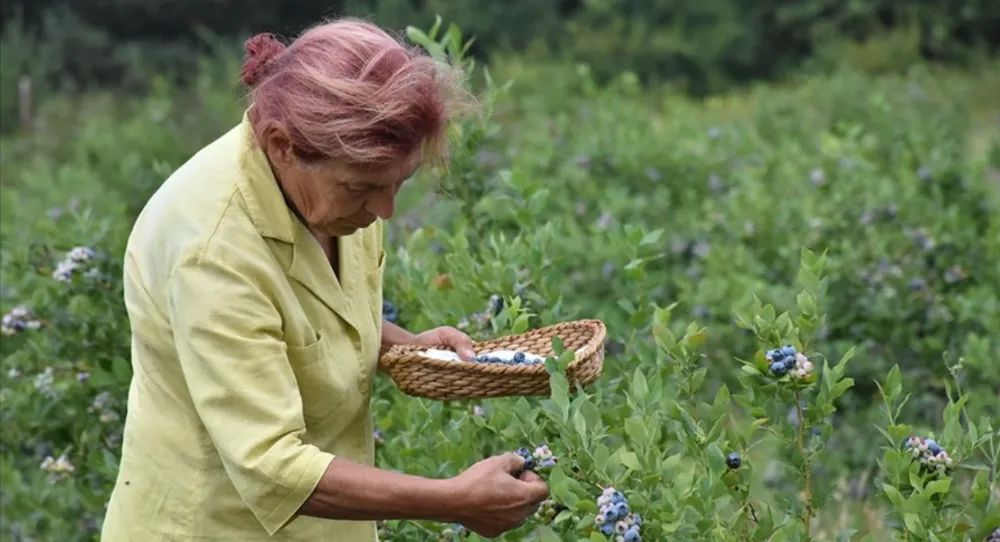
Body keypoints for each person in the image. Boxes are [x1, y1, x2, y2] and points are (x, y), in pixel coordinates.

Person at [100, 17, 550, 542]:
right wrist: (455, 499)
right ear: (282, 145)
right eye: (363, 187)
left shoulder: (332, 189)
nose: (384, 210)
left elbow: (305, 314)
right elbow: (271, 464)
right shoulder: (212, 250)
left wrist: (403, 346)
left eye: (399, 183)